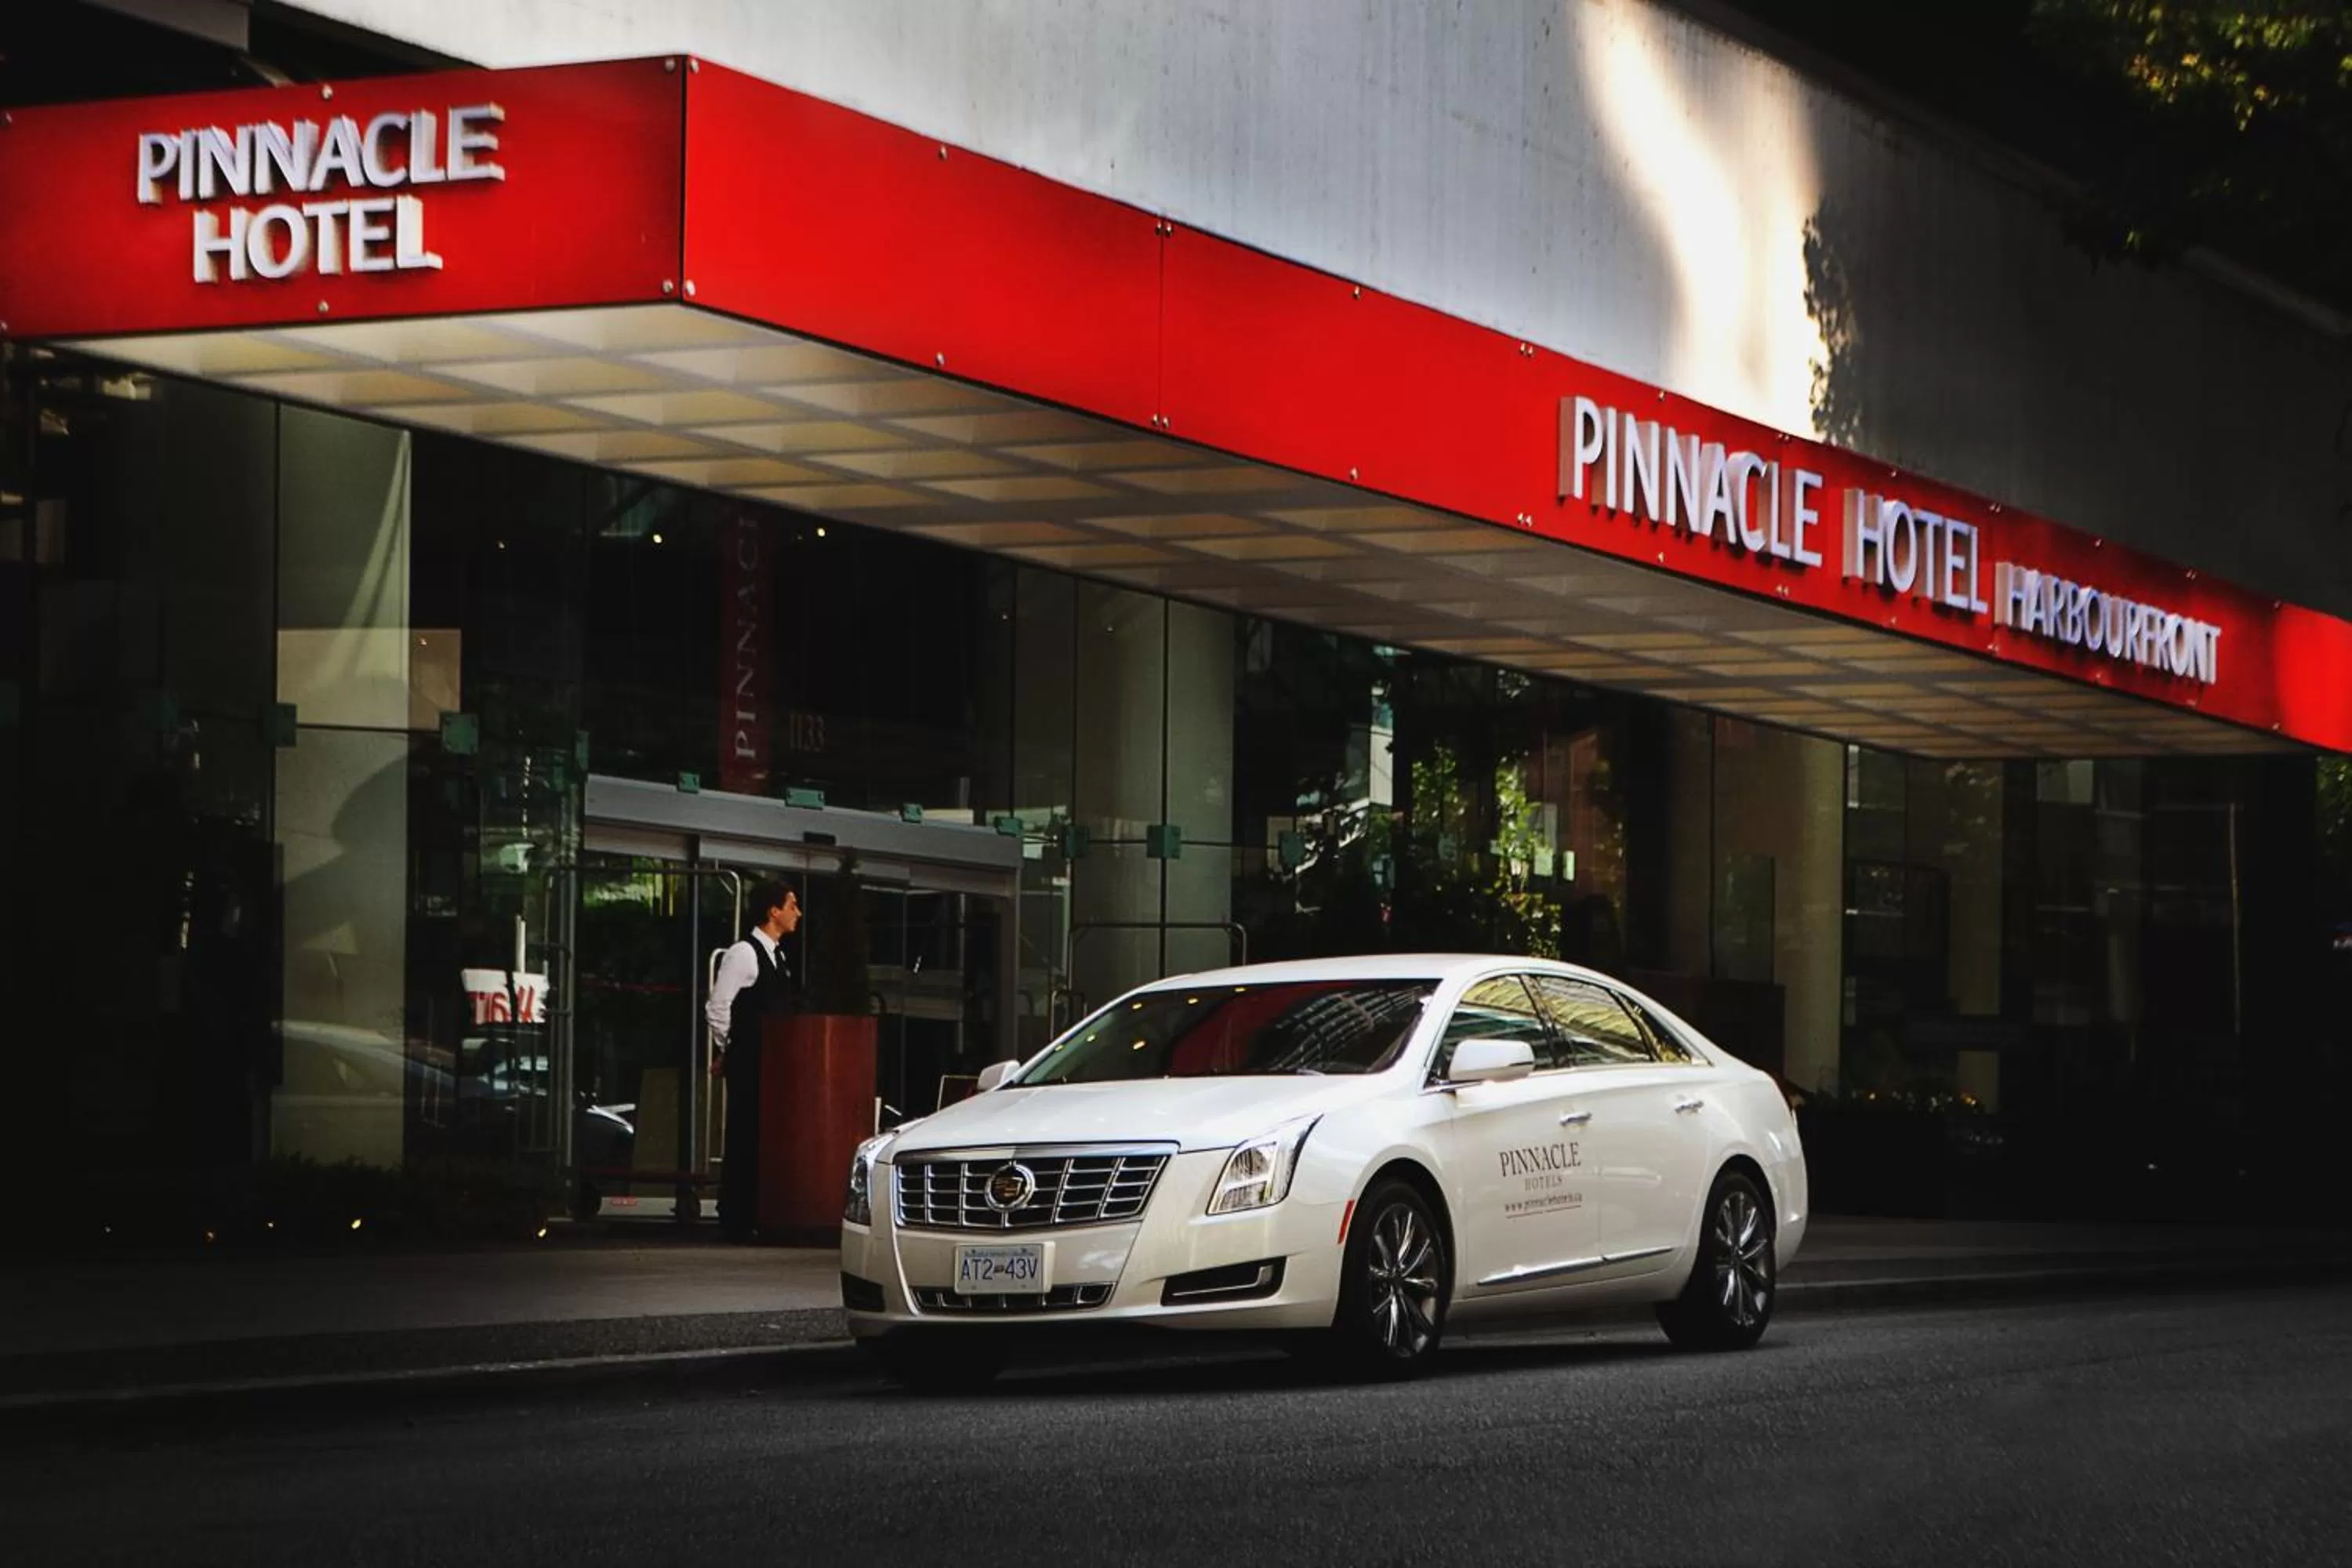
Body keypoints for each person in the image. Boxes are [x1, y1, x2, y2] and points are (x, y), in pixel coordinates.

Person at [706, 879, 800, 1241]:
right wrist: (729, 1047)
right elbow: (718, 1005)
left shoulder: (778, 955)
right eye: (792, 905)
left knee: (764, 1134)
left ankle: (760, 1212)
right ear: (773, 911)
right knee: (745, 1133)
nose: (798, 913)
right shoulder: (744, 953)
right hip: (750, 1057)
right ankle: (736, 1216)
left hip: (773, 1060)